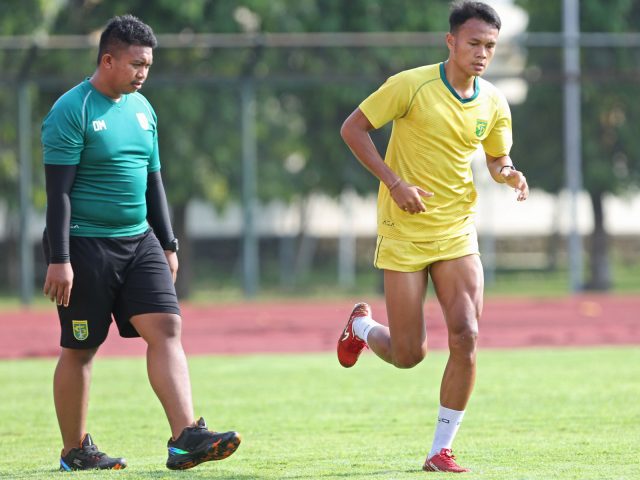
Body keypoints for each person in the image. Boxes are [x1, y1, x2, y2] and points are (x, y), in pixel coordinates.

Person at [41, 14, 240, 471]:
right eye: (135, 64)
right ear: (108, 60)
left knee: (167, 328)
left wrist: (168, 243)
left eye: (148, 64)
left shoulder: (143, 110)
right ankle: (75, 451)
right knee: (81, 348)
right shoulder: (72, 110)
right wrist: (60, 258)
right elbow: (58, 194)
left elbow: (154, 183)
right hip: (84, 245)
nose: (143, 73)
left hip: (139, 242)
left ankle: (185, 436)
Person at [337, 1, 529, 473]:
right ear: (451, 42)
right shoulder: (412, 84)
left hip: (457, 229)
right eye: (474, 43)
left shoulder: (493, 102)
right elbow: (353, 129)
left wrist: (508, 174)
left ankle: (440, 449)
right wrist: (394, 182)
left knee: (466, 335)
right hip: (403, 230)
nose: (482, 53)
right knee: (409, 354)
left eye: (490, 46)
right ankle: (361, 327)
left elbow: (495, 157)